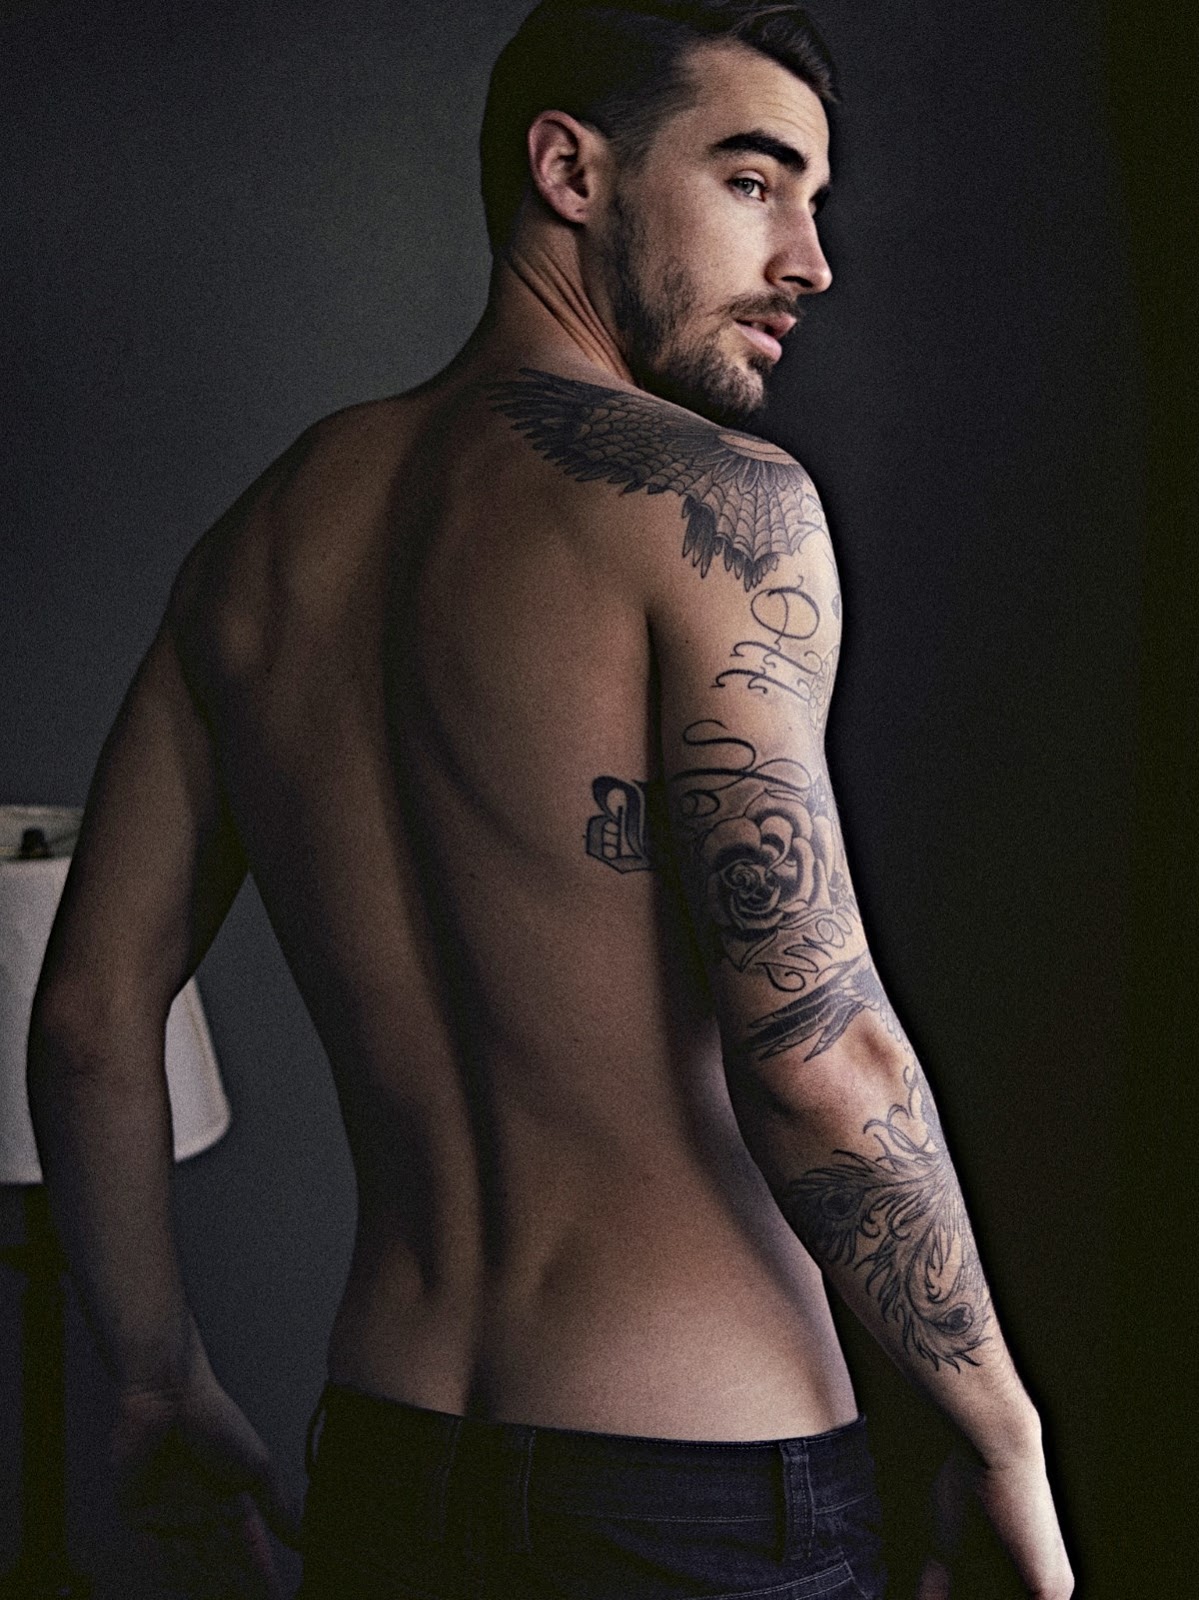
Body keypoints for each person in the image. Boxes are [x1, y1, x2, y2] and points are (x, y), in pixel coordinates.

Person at [26, 3, 1074, 1596]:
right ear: (570, 171)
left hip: (390, 1463)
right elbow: (818, 1053)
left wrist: (157, 1381)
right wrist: (1000, 1433)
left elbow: (91, 1020)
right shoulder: (720, 509)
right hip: (698, 1484)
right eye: (752, 181)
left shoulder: (258, 546)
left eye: (814, 198)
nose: (809, 259)